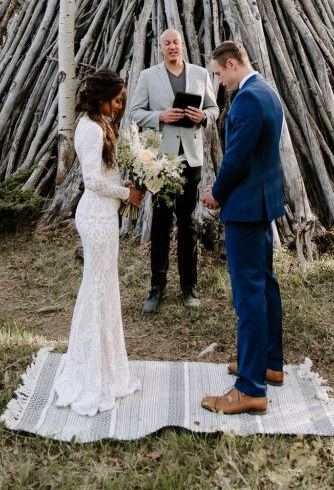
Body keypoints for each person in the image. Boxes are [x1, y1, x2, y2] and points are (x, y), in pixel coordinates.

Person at [200, 40, 285, 416]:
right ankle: (270, 364)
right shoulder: (267, 92)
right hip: (262, 203)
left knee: (248, 296)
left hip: (245, 207)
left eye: (219, 74)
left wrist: (216, 193)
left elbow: (236, 158)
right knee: (264, 286)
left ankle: (250, 388)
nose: (218, 82)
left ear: (232, 64)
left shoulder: (248, 99)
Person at [52, 69, 144, 416]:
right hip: (95, 217)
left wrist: (128, 182)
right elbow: (91, 180)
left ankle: (105, 364)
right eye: (116, 100)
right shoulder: (89, 129)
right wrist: (125, 194)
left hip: (105, 215)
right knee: (97, 289)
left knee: (103, 289)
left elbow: (107, 172)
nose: (119, 106)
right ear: (101, 97)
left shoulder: (101, 124)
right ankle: (92, 370)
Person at [129, 28, 219, 313]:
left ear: (182, 46)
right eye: (166, 43)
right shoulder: (148, 76)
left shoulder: (200, 74)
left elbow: (214, 109)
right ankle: (157, 288)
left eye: (175, 42)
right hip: (161, 163)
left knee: (188, 223)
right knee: (160, 223)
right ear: (160, 47)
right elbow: (135, 112)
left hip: (191, 160)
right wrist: (160, 116)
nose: (172, 47)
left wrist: (203, 116)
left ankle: (189, 287)